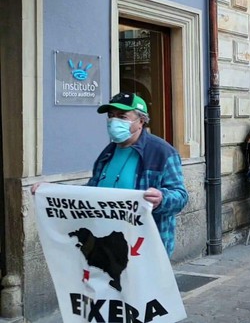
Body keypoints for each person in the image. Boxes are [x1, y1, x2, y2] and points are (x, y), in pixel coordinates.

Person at [33, 92, 189, 258]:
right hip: (106, 245)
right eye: (111, 116)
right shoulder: (108, 153)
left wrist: (161, 199)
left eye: (122, 116)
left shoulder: (161, 152)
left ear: (140, 121)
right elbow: (92, 192)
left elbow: (180, 196)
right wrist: (53, 191)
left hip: (144, 250)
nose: (114, 121)